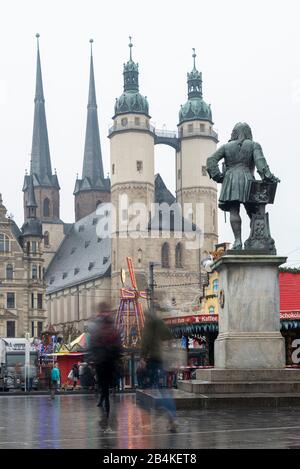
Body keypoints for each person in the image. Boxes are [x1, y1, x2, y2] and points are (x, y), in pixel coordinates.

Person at [206, 122, 280, 250]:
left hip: (231, 181)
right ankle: (257, 239)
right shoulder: (254, 145)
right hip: (248, 180)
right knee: (254, 212)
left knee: (234, 210)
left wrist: (219, 176)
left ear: (234, 133)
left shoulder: (226, 147)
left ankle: (238, 241)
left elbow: (211, 160)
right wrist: (269, 177)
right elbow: (261, 164)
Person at [140, 310, 178, 432]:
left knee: (147, 391)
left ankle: (146, 424)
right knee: (164, 390)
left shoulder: (149, 324)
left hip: (153, 360)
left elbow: (145, 341)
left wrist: (142, 357)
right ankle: (172, 418)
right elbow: (169, 337)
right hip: (162, 360)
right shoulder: (161, 323)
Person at [88, 302, 122, 431]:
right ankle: (111, 414)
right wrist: (117, 359)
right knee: (111, 388)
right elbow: (119, 344)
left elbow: (91, 345)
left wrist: (92, 359)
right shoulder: (113, 325)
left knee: (104, 390)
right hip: (112, 362)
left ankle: (106, 416)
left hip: (101, 362)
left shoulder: (96, 326)